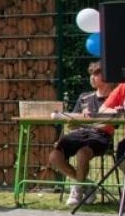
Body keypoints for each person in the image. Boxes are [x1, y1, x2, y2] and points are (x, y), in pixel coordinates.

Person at [47, 62, 115, 206]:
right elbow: (72, 123)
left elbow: (115, 123)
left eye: (96, 74)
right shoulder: (84, 97)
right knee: (54, 156)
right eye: (91, 74)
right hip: (79, 134)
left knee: (82, 153)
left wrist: (96, 117)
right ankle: (86, 184)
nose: (92, 77)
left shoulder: (114, 99)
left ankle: (78, 189)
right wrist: (79, 118)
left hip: (100, 135)